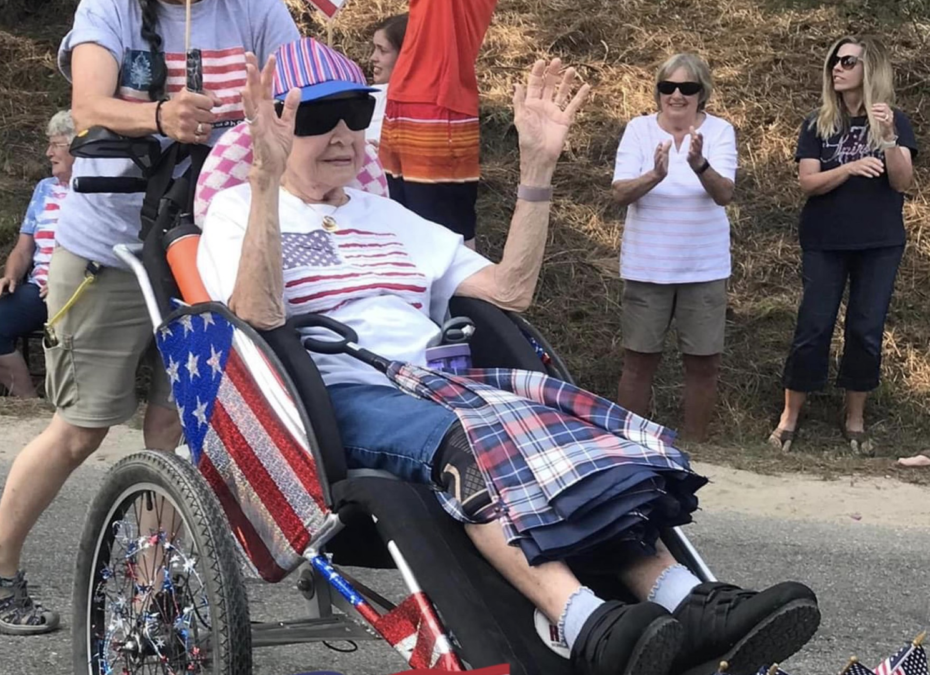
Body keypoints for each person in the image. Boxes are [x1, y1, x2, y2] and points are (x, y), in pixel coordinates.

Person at [197, 38, 819, 675]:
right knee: (473, 439)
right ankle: (583, 620)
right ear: (271, 125)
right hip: (334, 392)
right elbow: (256, 316)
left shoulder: (386, 215)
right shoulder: (237, 210)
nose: (340, 133)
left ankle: (687, 599)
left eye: (355, 113)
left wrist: (537, 171)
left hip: (440, 380)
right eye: (313, 118)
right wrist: (267, 183)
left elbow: (510, 290)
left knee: (582, 436)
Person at [0, 0, 299, 635]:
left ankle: (149, 589)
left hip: (212, 245)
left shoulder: (259, 9)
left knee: (176, 426)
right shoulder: (108, 8)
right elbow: (88, 107)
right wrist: (160, 114)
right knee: (82, 427)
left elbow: (298, 91)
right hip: (109, 248)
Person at [768, 36, 916, 454]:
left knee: (866, 330)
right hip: (825, 241)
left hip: (880, 243)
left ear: (871, 69)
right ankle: (789, 417)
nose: (838, 67)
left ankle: (855, 419)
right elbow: (808, 183)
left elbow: (902, 182)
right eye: (835, 60)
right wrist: (849, 167)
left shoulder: (894, 119)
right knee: (813, 326)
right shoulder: (818, 121)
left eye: (848, 61)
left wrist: (887, 137)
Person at [611, 54, 738, 443]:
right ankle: (632, 447)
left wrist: (699, 165)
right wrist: (655, 175)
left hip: (704, 268)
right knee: (638, 362)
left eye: (688, 88)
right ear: (659, 92)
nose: (677, 95)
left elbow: (724, 194)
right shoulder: (638, 130)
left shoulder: (719, 132)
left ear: (703, 93)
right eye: (668, 87)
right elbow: (619, 192)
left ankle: (696, 446)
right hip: (648, 267)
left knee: (703, 362)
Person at [0, 110, 74, 398]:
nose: (48, 152)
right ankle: (28, 402)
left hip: (84, 291)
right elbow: (24, 247)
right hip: (39, 289)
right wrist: (10, 276)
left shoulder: (100, 191)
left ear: (79, 147)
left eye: (56, 145)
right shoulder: (44, 189)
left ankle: (75, 407)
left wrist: (67, 281)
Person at [379, 0, 498, 249]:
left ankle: (464, 289)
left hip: (436, 108)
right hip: (403, 101)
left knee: (443, 238)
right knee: (398, 228)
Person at [366, 13, 407, 146]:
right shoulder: (370, 97)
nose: (373, 57)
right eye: (374, 48)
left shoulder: (431, 107)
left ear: (406, 55)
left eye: (382, 50)